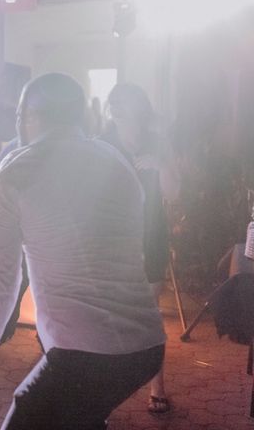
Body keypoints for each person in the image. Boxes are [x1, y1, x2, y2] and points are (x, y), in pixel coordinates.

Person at [0, 73, 166, 429]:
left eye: (20, 114)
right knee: (81, 416)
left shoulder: (18, 169)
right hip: (146, 346)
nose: (17, 123)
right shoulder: (116, 161)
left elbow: (3, 271)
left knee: (30, 416)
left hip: (85, 350)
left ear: (33, 115)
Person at [101, 82, 181, 414]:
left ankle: (156, 385)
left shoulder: (157, 142)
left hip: (151, 236)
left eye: (126, 108)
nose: (120, 114)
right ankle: (103, 391)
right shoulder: (103, 142)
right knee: (109, 316)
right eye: (116, 108)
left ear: (140, 111)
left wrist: (160, 165)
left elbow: (175, 192)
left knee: (149, 316)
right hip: (112, 239)